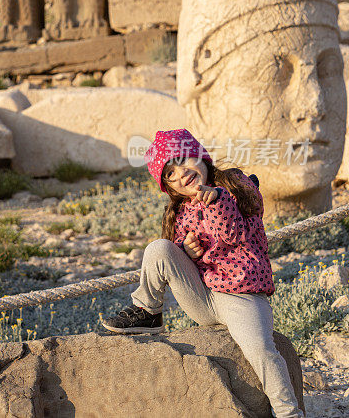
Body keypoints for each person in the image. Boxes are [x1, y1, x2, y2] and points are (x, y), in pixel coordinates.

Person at [101, 129, 303, 418]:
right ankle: (147, 311)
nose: (181, 174)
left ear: (202, 157)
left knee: (261, 350)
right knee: (160, 248)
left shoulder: (235, 187)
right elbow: (176, 262)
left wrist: (216, 200)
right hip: (202, 298)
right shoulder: (179, 211)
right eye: (170, 174)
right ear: (169, 187)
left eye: (184, 161)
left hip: (242, 296)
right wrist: (188, 253)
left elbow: (234, 235)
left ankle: (288, 413)